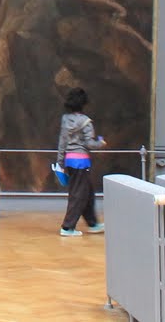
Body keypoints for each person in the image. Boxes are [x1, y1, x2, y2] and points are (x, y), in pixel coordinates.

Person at [56, 86, 105, 236]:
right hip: (82, 162)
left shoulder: (65, 120)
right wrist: (100, 143)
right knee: (78, 195)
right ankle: (67, 227)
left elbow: (62, 142)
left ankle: (93, 223)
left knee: (87, 193)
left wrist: (60, 162)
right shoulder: (86, 122)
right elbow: (89, 144)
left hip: (70, 161)